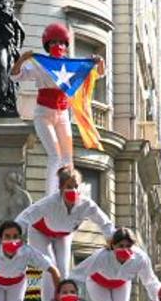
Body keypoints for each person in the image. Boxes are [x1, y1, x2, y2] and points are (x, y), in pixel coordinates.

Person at [11, 22, 107, 195]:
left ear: (66, 45)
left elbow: (98, 73)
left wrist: (99, 62)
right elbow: (15, 75)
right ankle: (51, 197)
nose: (58, 46)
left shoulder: (71, 65)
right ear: (47, 44)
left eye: (61, 42)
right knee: (54, 156)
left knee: (67, 158)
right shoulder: (40, 64)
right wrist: (23, 58)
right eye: (53, 42)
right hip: (43, 115)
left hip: (62, 114)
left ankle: (69, 192)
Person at [16, 166, 116, 274]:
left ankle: (63, 291)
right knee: (50, 266)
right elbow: (26, 216)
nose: (73, 190)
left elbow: (104, 221)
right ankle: (49, 290)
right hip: (39, 233)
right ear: (60, 187)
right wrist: (14, 235)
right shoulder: (49, 203)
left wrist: (111, 238)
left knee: (64, 271)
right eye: (69, 186)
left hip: (63, 235)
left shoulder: (86, 204)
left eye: (76, 186)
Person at [71, 228, 161, 301]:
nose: (124, 249)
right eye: (120, 245)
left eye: (128, 246)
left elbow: (150, 281)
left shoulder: (140, 258)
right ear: (113, 245)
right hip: (98, 283)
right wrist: (66, 291)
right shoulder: (101, 256)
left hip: (121, 284)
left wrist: (159, 299)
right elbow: (77, 273)